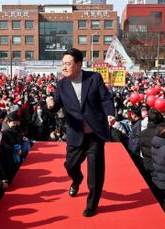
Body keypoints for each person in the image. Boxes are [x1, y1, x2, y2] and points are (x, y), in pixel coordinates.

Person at [46, 48, 115, 217]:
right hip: (75, 134)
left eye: (67, 64)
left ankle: (92, 205)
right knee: (70, 166)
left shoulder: (94, 78)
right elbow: (56, 104)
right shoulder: (62, 84)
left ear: (78, 64)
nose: (64, 67)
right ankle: (76, 180)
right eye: (63, 64)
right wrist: (50, 105)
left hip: (94, 135)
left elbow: (106, 98)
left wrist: (111, 114)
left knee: (95, 174)